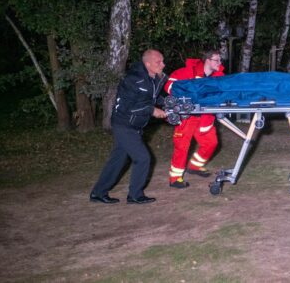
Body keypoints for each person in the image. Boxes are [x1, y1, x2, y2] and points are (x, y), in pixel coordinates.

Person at [90, 49, 168, 205]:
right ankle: (135, 195)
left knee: (118, 160)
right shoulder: (133, 80)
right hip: (124, 124)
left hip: (135, 125)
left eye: (162, 61)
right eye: (158, 62)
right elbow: (128, 107)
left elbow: (151, 97)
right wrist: (152, 110)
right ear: (147, 64)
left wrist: (166, 103)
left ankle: (98, 193)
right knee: (143, 158)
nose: (163, 65)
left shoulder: (154, 78)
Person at [164, 50, 225, 188]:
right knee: (182, 147)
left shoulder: (219, 77)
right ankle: (175, 178)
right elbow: (169, 85)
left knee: (211, 143)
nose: (220, 63)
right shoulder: (187, 72)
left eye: (220, 60)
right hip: (187, 117)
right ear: (208, 60)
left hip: (205, 117)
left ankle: (194, 166)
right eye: (217, 60)